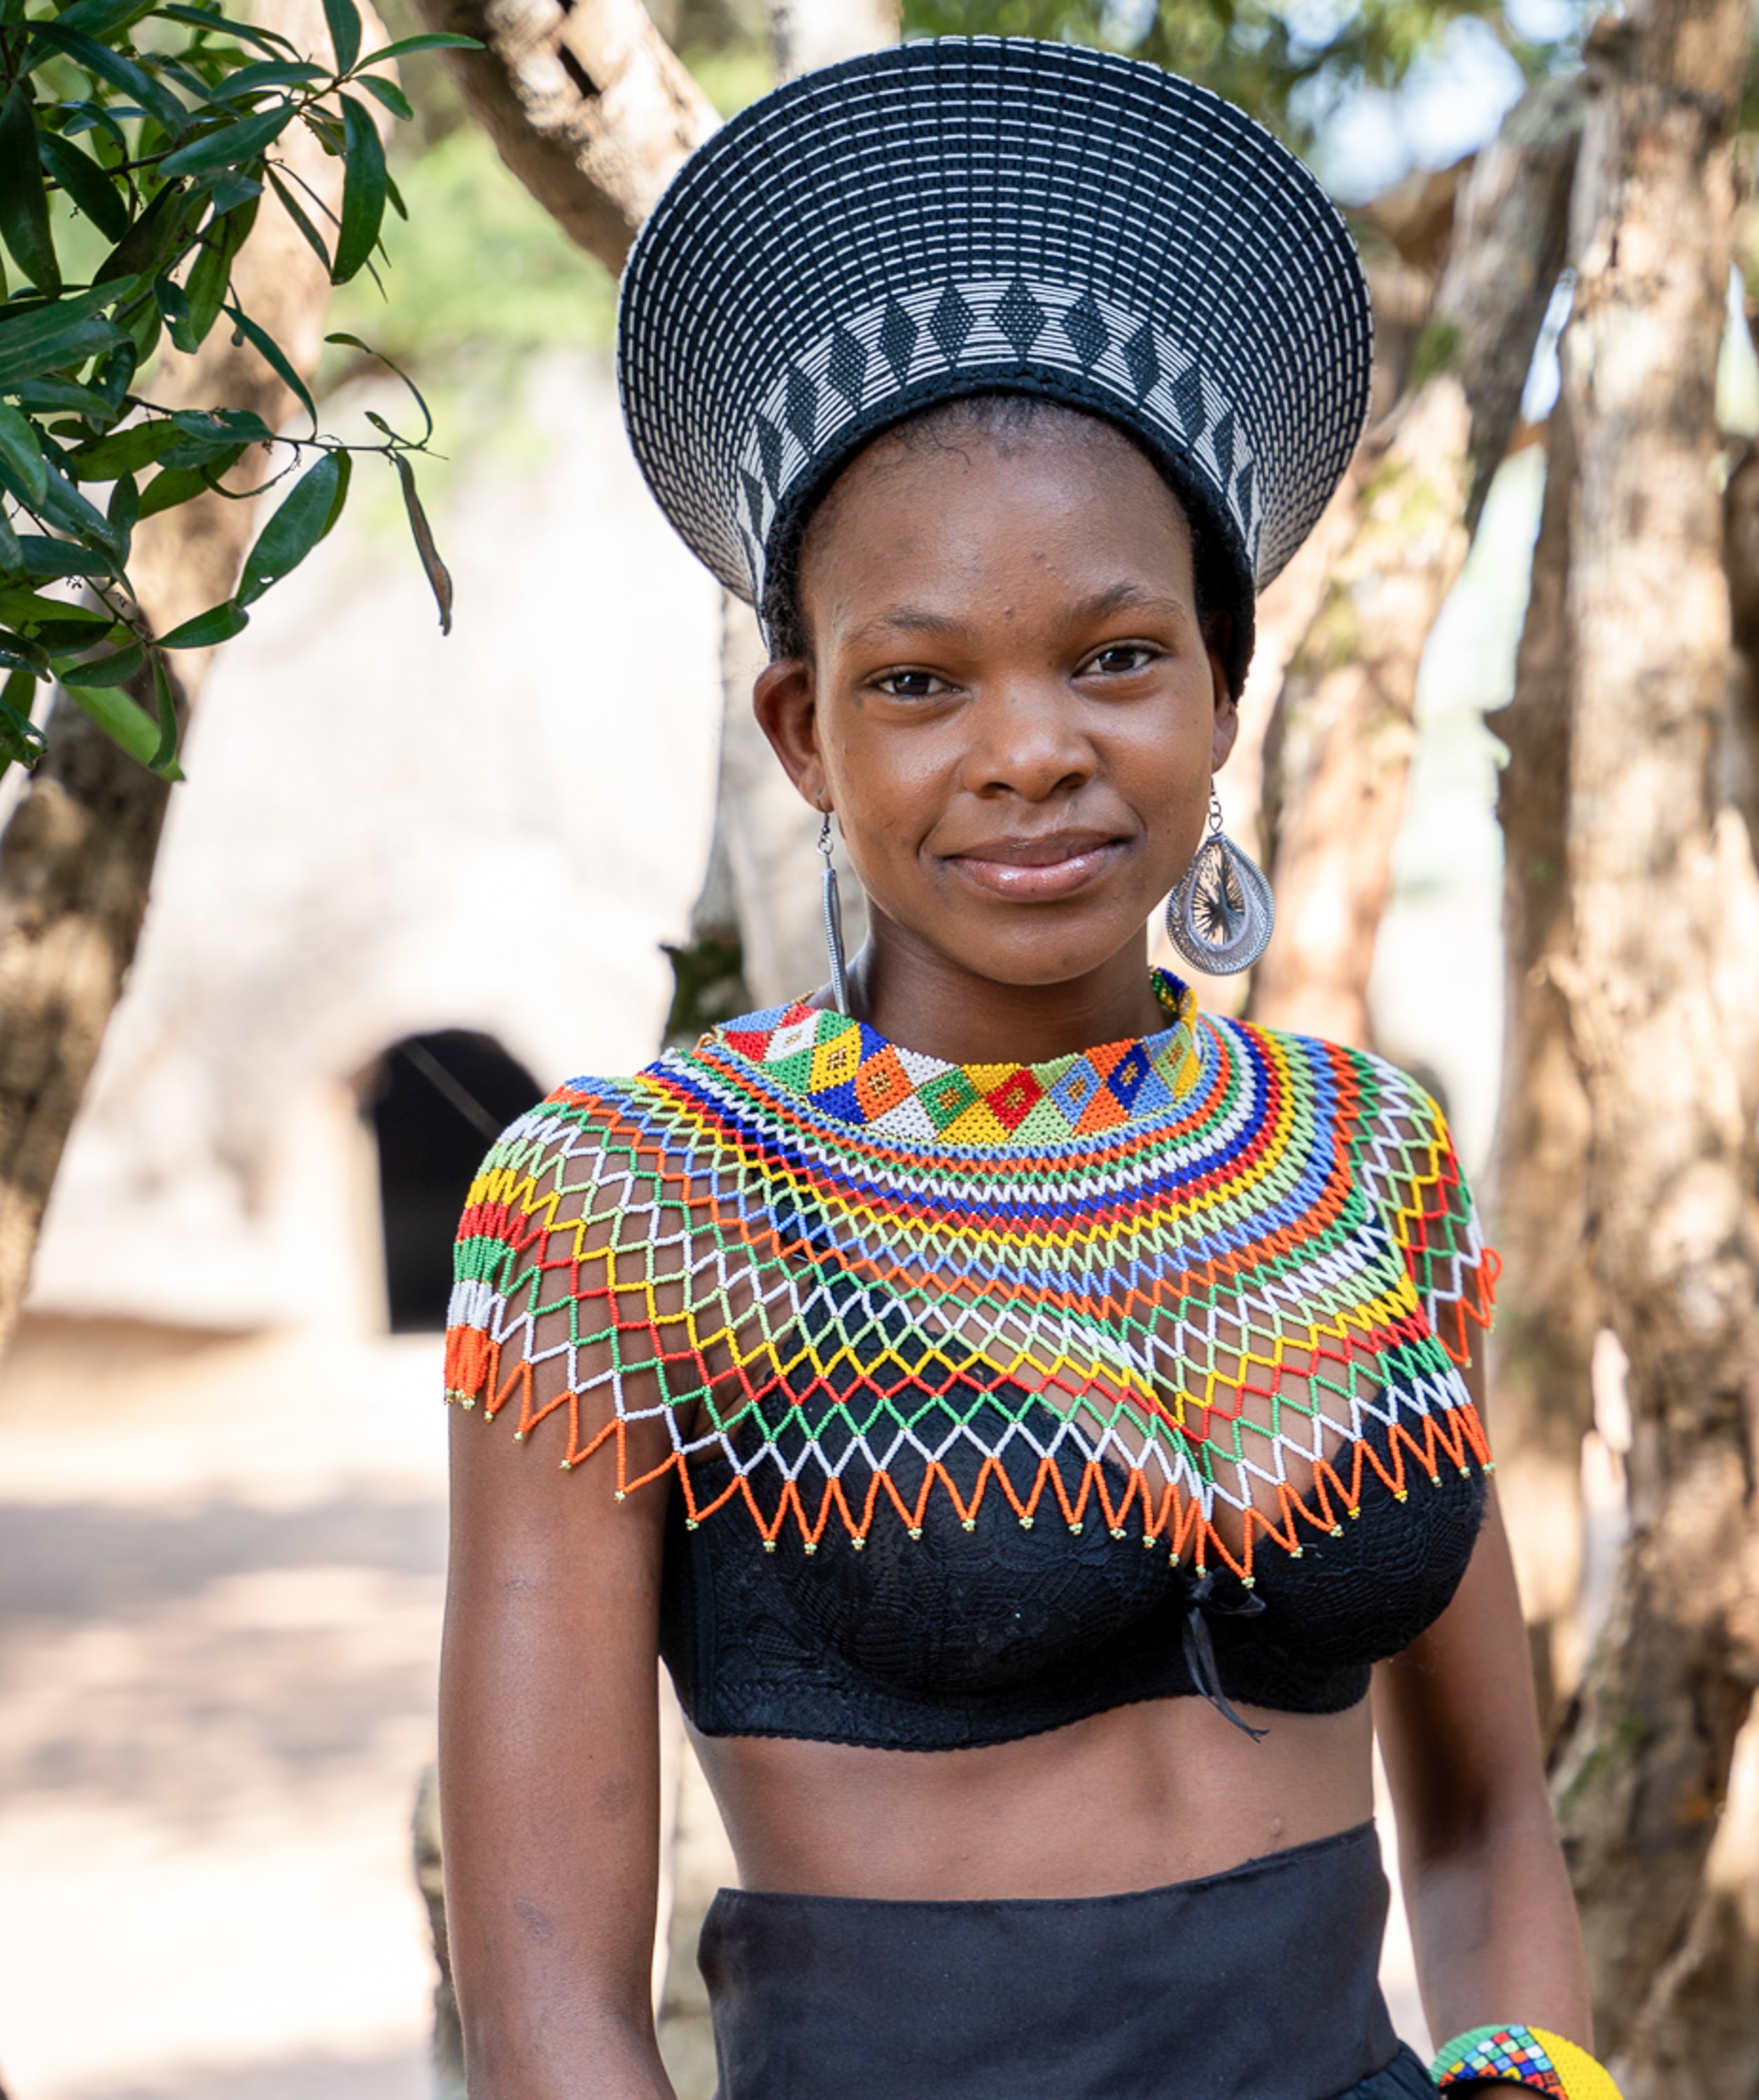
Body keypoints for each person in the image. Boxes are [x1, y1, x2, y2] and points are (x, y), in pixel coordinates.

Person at [437, 36, 1617, 2100]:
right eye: (919, 681)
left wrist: (1532, 2080)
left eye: (1114, 654)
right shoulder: (632, 1208)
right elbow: (550, 1997)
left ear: (1224, 689)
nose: (1029, 749)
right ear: (808, 736)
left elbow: (1491, 1814)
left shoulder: (1367, 1161)